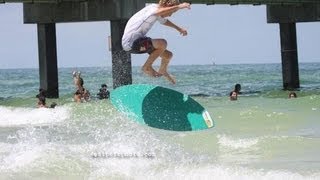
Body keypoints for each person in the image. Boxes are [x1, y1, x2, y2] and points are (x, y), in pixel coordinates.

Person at [122, 0, 191, 84]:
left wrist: (179, 28)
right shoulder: (153, 9)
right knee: (162, 43)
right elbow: (158, 12)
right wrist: (179, 6)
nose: (170, 15)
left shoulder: (156, 12)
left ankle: (163, 70)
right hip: (132, 43)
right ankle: (146, 67)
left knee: (168, 55)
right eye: (171, 11)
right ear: (167, 5)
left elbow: (164, 21)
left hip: (139, 43)